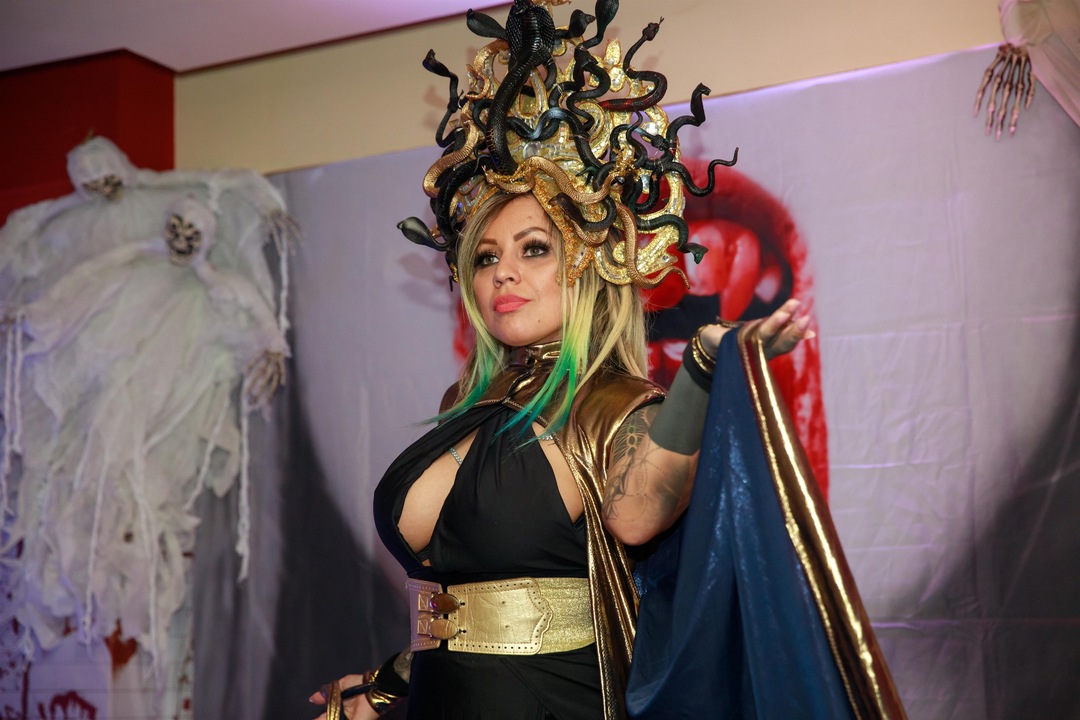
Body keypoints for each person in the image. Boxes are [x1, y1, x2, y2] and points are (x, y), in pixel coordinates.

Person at [312, 2, 905, 718]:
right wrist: (385, 684)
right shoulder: (464, 406)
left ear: (590, 265)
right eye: (487, 257)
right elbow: (472, 606)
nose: (504, 273)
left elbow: (638, 512)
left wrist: (703, 366)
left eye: (535, 249)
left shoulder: (613, 404)